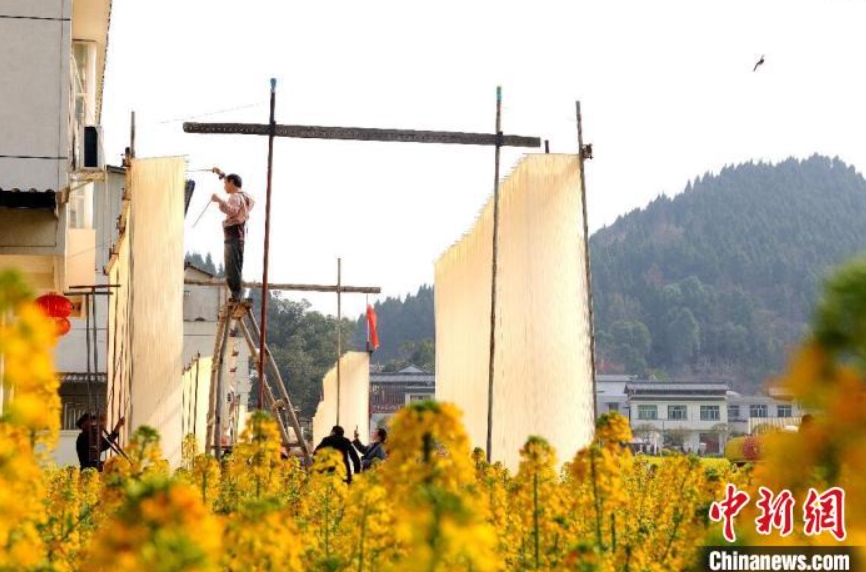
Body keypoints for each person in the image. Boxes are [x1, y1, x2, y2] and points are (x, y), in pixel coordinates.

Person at [211, 168, 255, 302]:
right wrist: (221, 174)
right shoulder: (245, 196)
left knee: (231, 268)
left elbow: (232, 211)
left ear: (231, 182)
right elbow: (232, 182)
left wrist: (219, 200)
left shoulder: (235, 197)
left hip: (233, 236)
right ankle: (237, 295)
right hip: (239, 236)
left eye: (226, 183)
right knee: (236, 266)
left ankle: (236, 296)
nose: (224, 186)